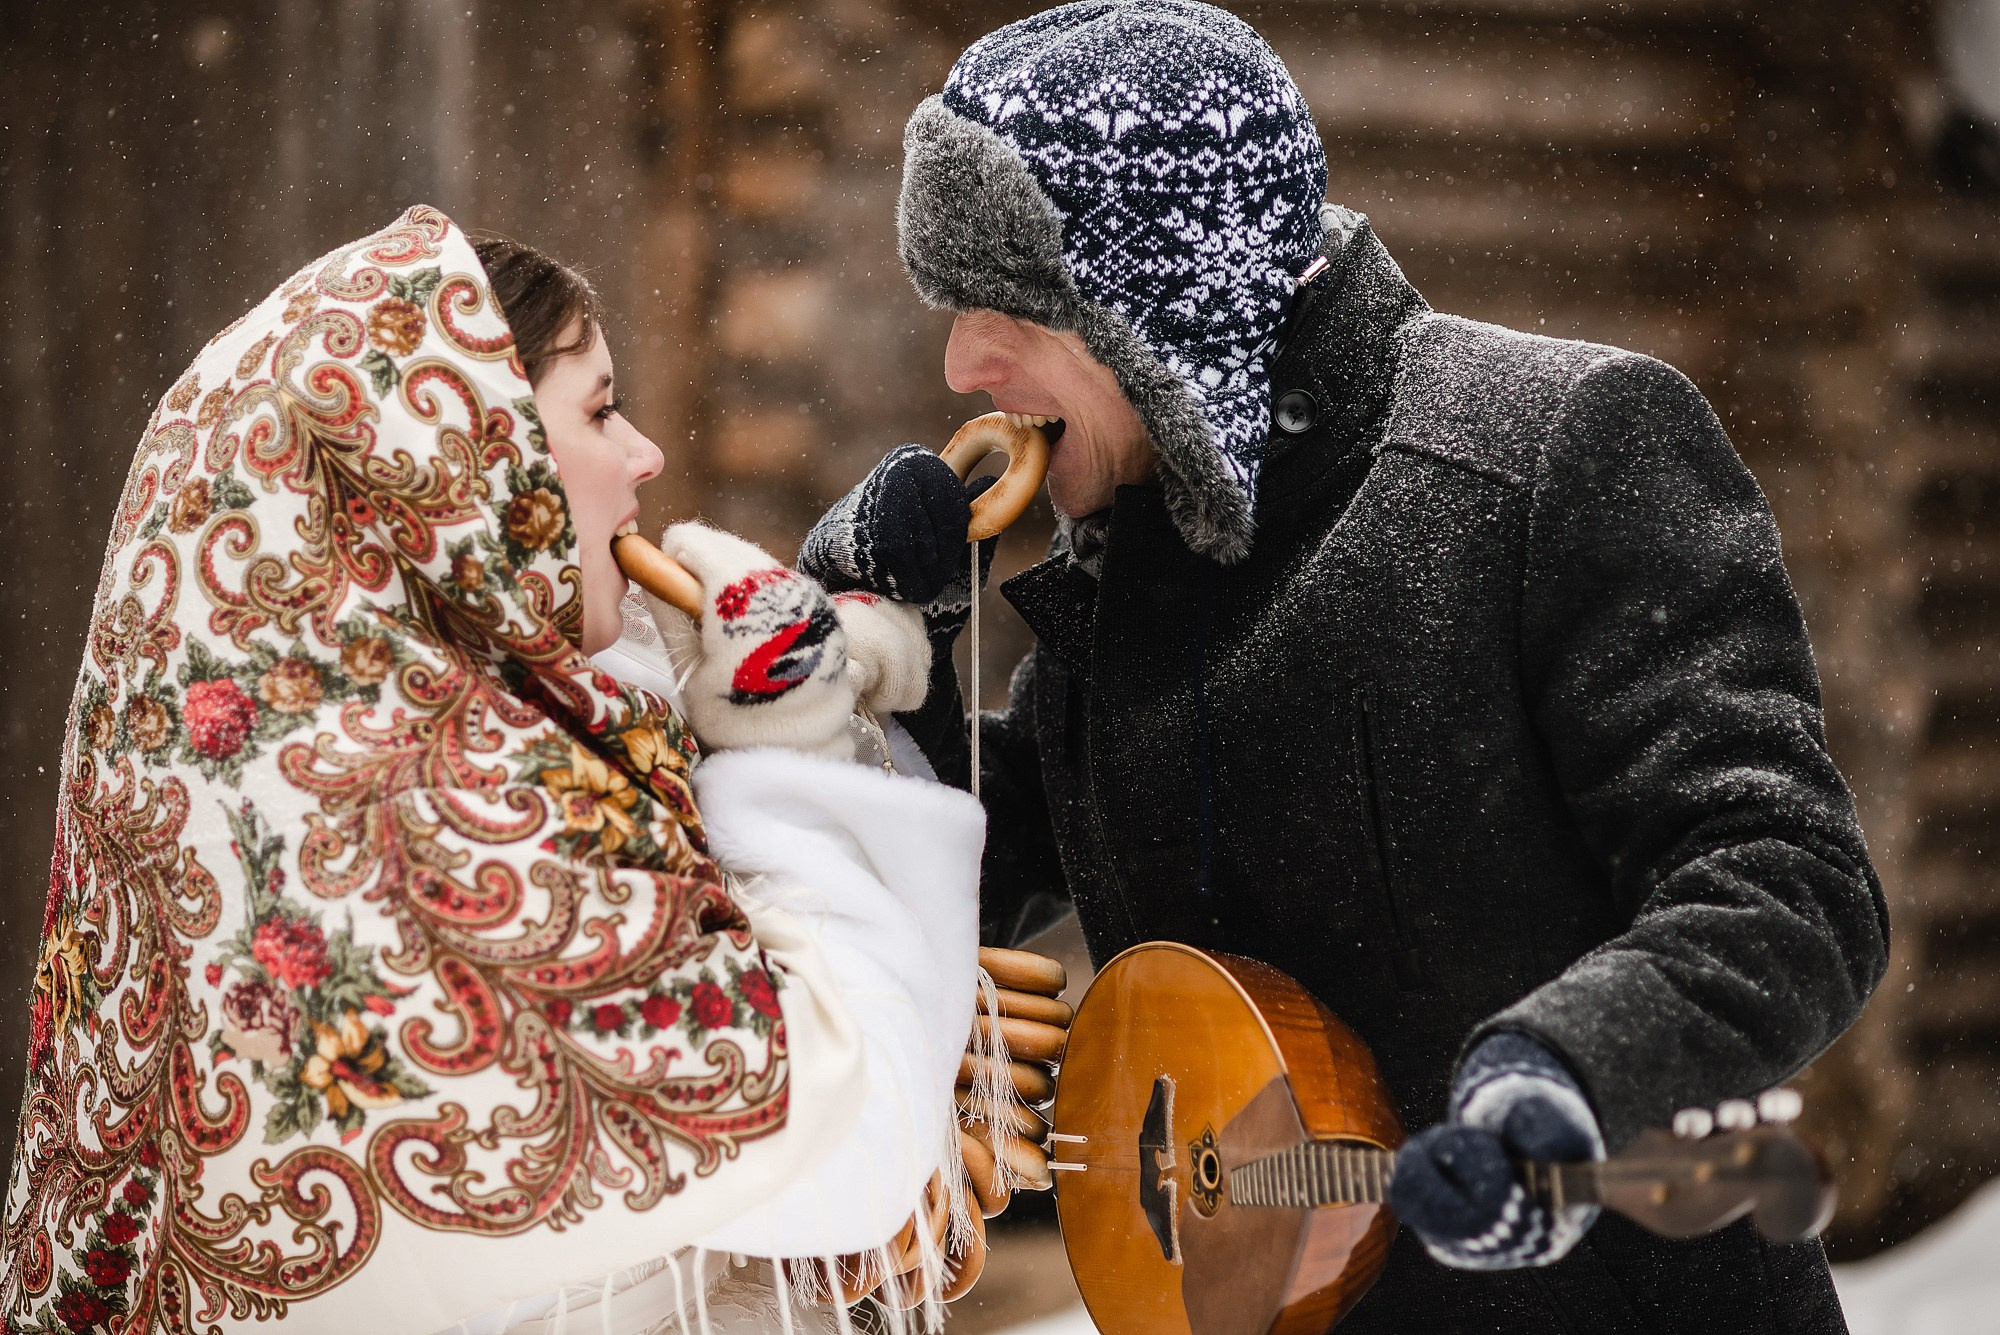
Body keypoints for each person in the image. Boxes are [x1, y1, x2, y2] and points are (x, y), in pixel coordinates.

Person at [799, 2, 1889, 1330]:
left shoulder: (1554, 452)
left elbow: (1788, 878)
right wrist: (851, 651)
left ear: (1160, 300)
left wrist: (1568, 1066)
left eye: (1009, 306)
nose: (963, 360)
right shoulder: (1134, 544)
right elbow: (964, 874)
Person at [1, 206, 982, 1335]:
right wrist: (790, 737)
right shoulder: (429, 832)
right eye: (600, 410)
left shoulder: (292, 768)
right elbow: (842, 1133)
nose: (645, 455)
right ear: (467, 463)